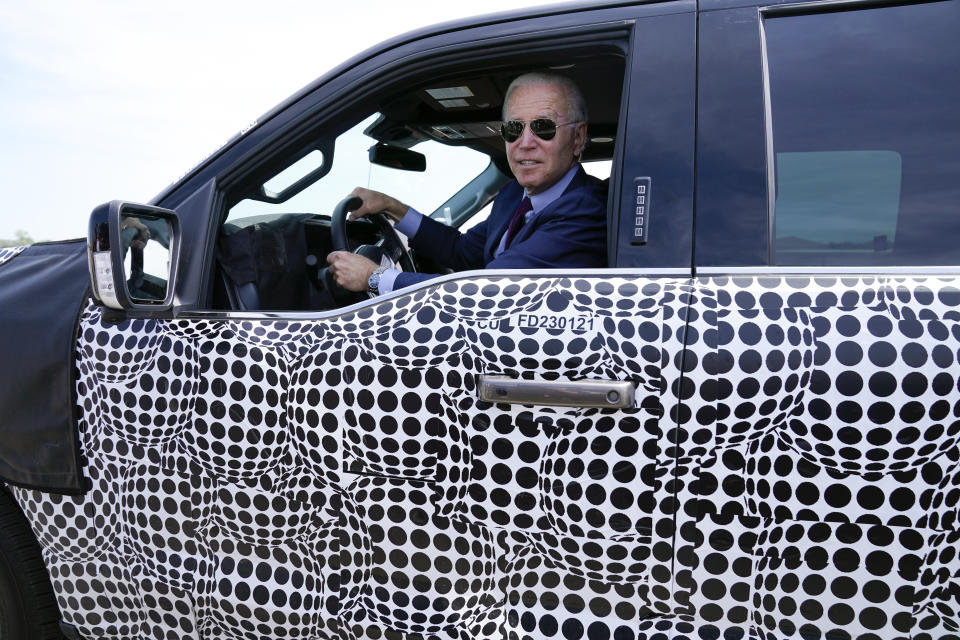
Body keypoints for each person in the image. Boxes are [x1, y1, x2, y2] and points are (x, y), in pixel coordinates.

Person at [326, 72, 607, 295]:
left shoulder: (586, 209)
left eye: (543, 127)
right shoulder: (513, 196)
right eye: (514, 129)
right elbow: (462, 251)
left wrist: (374, 278)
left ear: (578, 139)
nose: (526, 143)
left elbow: (485, 291)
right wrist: (393, 208)